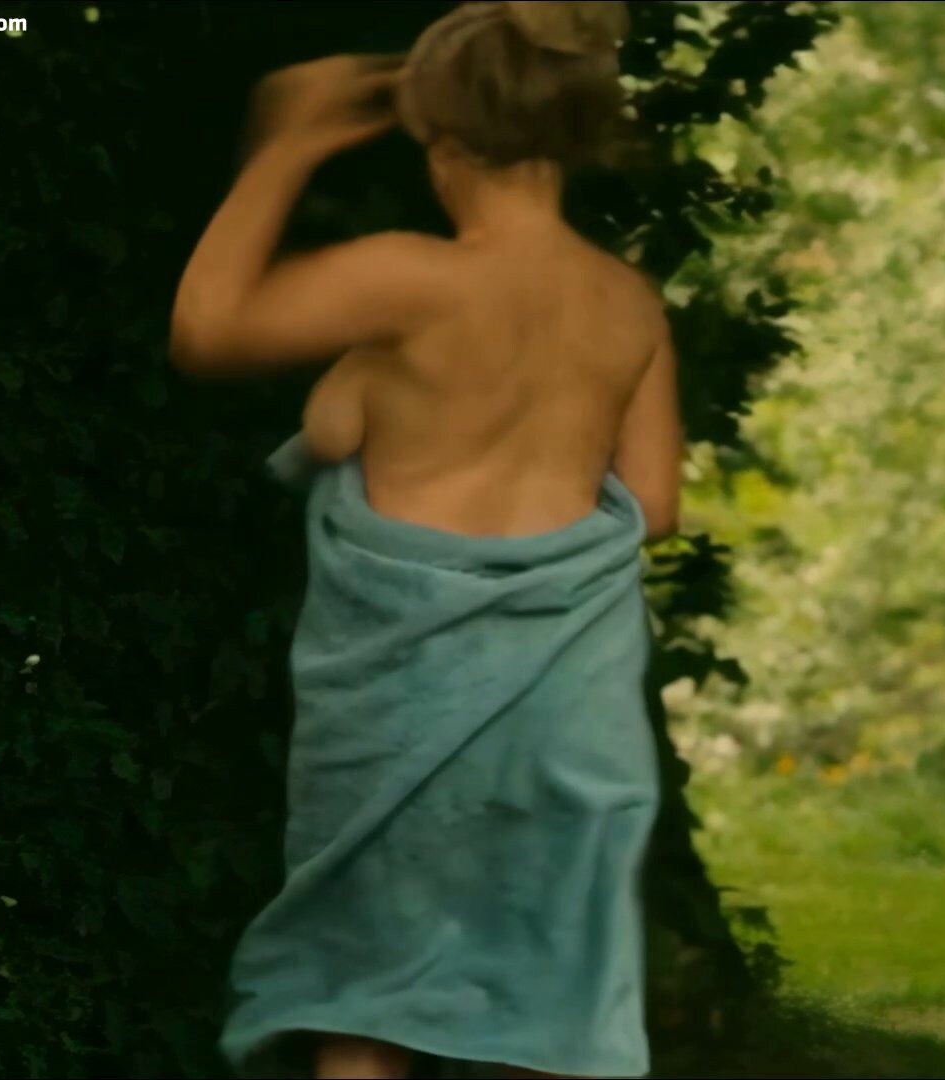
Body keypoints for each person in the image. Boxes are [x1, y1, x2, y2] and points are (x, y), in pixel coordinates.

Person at [170, 3, 681, 1077]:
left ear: (440, 140)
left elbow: (207, 332)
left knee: (368, 998)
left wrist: (285, 150)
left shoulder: (410, 277)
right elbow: (655, 502)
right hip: (571, 715)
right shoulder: (628, 303)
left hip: (404, 701)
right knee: (550, 1009)